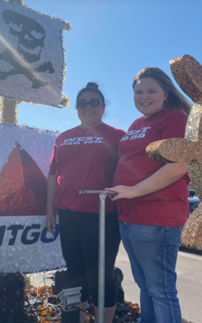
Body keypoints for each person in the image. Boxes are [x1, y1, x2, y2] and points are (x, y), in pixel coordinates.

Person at [106, 67, 191, 323]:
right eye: (138, 91)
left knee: (161, 291)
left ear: (166, 93)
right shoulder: (137, 124)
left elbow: (179, 164)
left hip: (156, 216)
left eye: (151, 91)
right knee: (146, 287)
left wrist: (132, 191)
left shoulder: (174, 118)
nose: (144, 96)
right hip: (130, 217)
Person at [46, 82, 125, 323]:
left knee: (101, 275)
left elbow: (129, 173)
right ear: (77, 108)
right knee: (75, 273)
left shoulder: (117, 136)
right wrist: (49, 209)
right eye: (83, 103)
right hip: (69, 214)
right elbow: (52, 175)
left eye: (94, 102)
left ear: (103, 107)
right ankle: (76, 319)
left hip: (102, 216)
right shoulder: (64, 137)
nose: (88, 107)